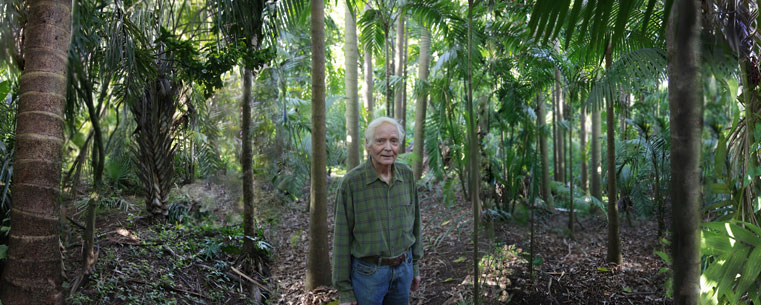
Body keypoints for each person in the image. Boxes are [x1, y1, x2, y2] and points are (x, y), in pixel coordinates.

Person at [332, 116, 423, 305]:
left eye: (394, 141)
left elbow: (415, 225)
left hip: (403, 270)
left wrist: (414, 267)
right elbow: (341, 239)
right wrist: (345, 291)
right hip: (368, 275)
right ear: (368, 144)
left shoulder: (406, 176)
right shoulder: (351, 183)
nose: (388, 147)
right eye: (380, 141)